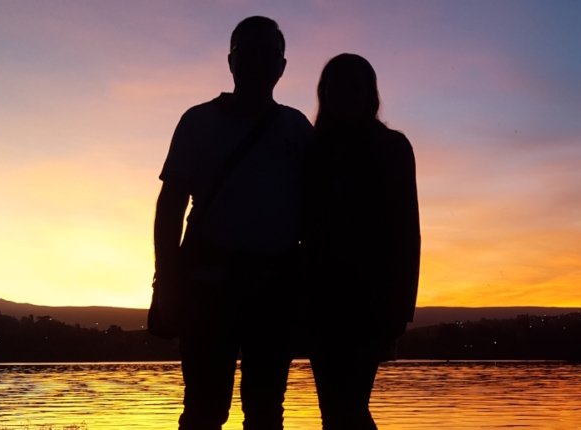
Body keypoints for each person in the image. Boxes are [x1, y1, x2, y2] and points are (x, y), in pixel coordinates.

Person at [153, 16, 314, 429]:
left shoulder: (297, 129)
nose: (258, 63)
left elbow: (316, 213)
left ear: (281, 66)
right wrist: (165, 282)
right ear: (230, 61)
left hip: (275, 291)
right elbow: (169, 206)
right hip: (207, 288)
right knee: (204, 410)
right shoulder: (197, 122)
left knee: (265, 413)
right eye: (248, 53)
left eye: (268, 54)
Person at [300, 53, 421, 430]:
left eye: (355, 87)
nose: (346, 96)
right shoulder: (314, 149)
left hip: (369, 302)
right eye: (337, 87)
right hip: (320, 299)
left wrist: (401, 309)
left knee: (345, 408)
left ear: (370, 94)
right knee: (338, 410)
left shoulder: (392, 148)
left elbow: (407, 231)